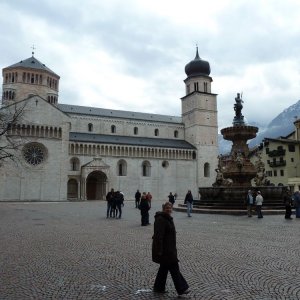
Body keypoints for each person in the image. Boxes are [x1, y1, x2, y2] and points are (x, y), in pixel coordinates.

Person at [152, 202, 190, 296]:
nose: (169, 209)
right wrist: (159, 250)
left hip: (169, 249)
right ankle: (182, 288)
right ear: (163, 208)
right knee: (174, 268)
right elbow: (158, 236)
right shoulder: (161, 219)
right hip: (166, 251)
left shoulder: (167, 218)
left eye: (170, 208)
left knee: (164, 268)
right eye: (167, 208)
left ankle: (158, 287)